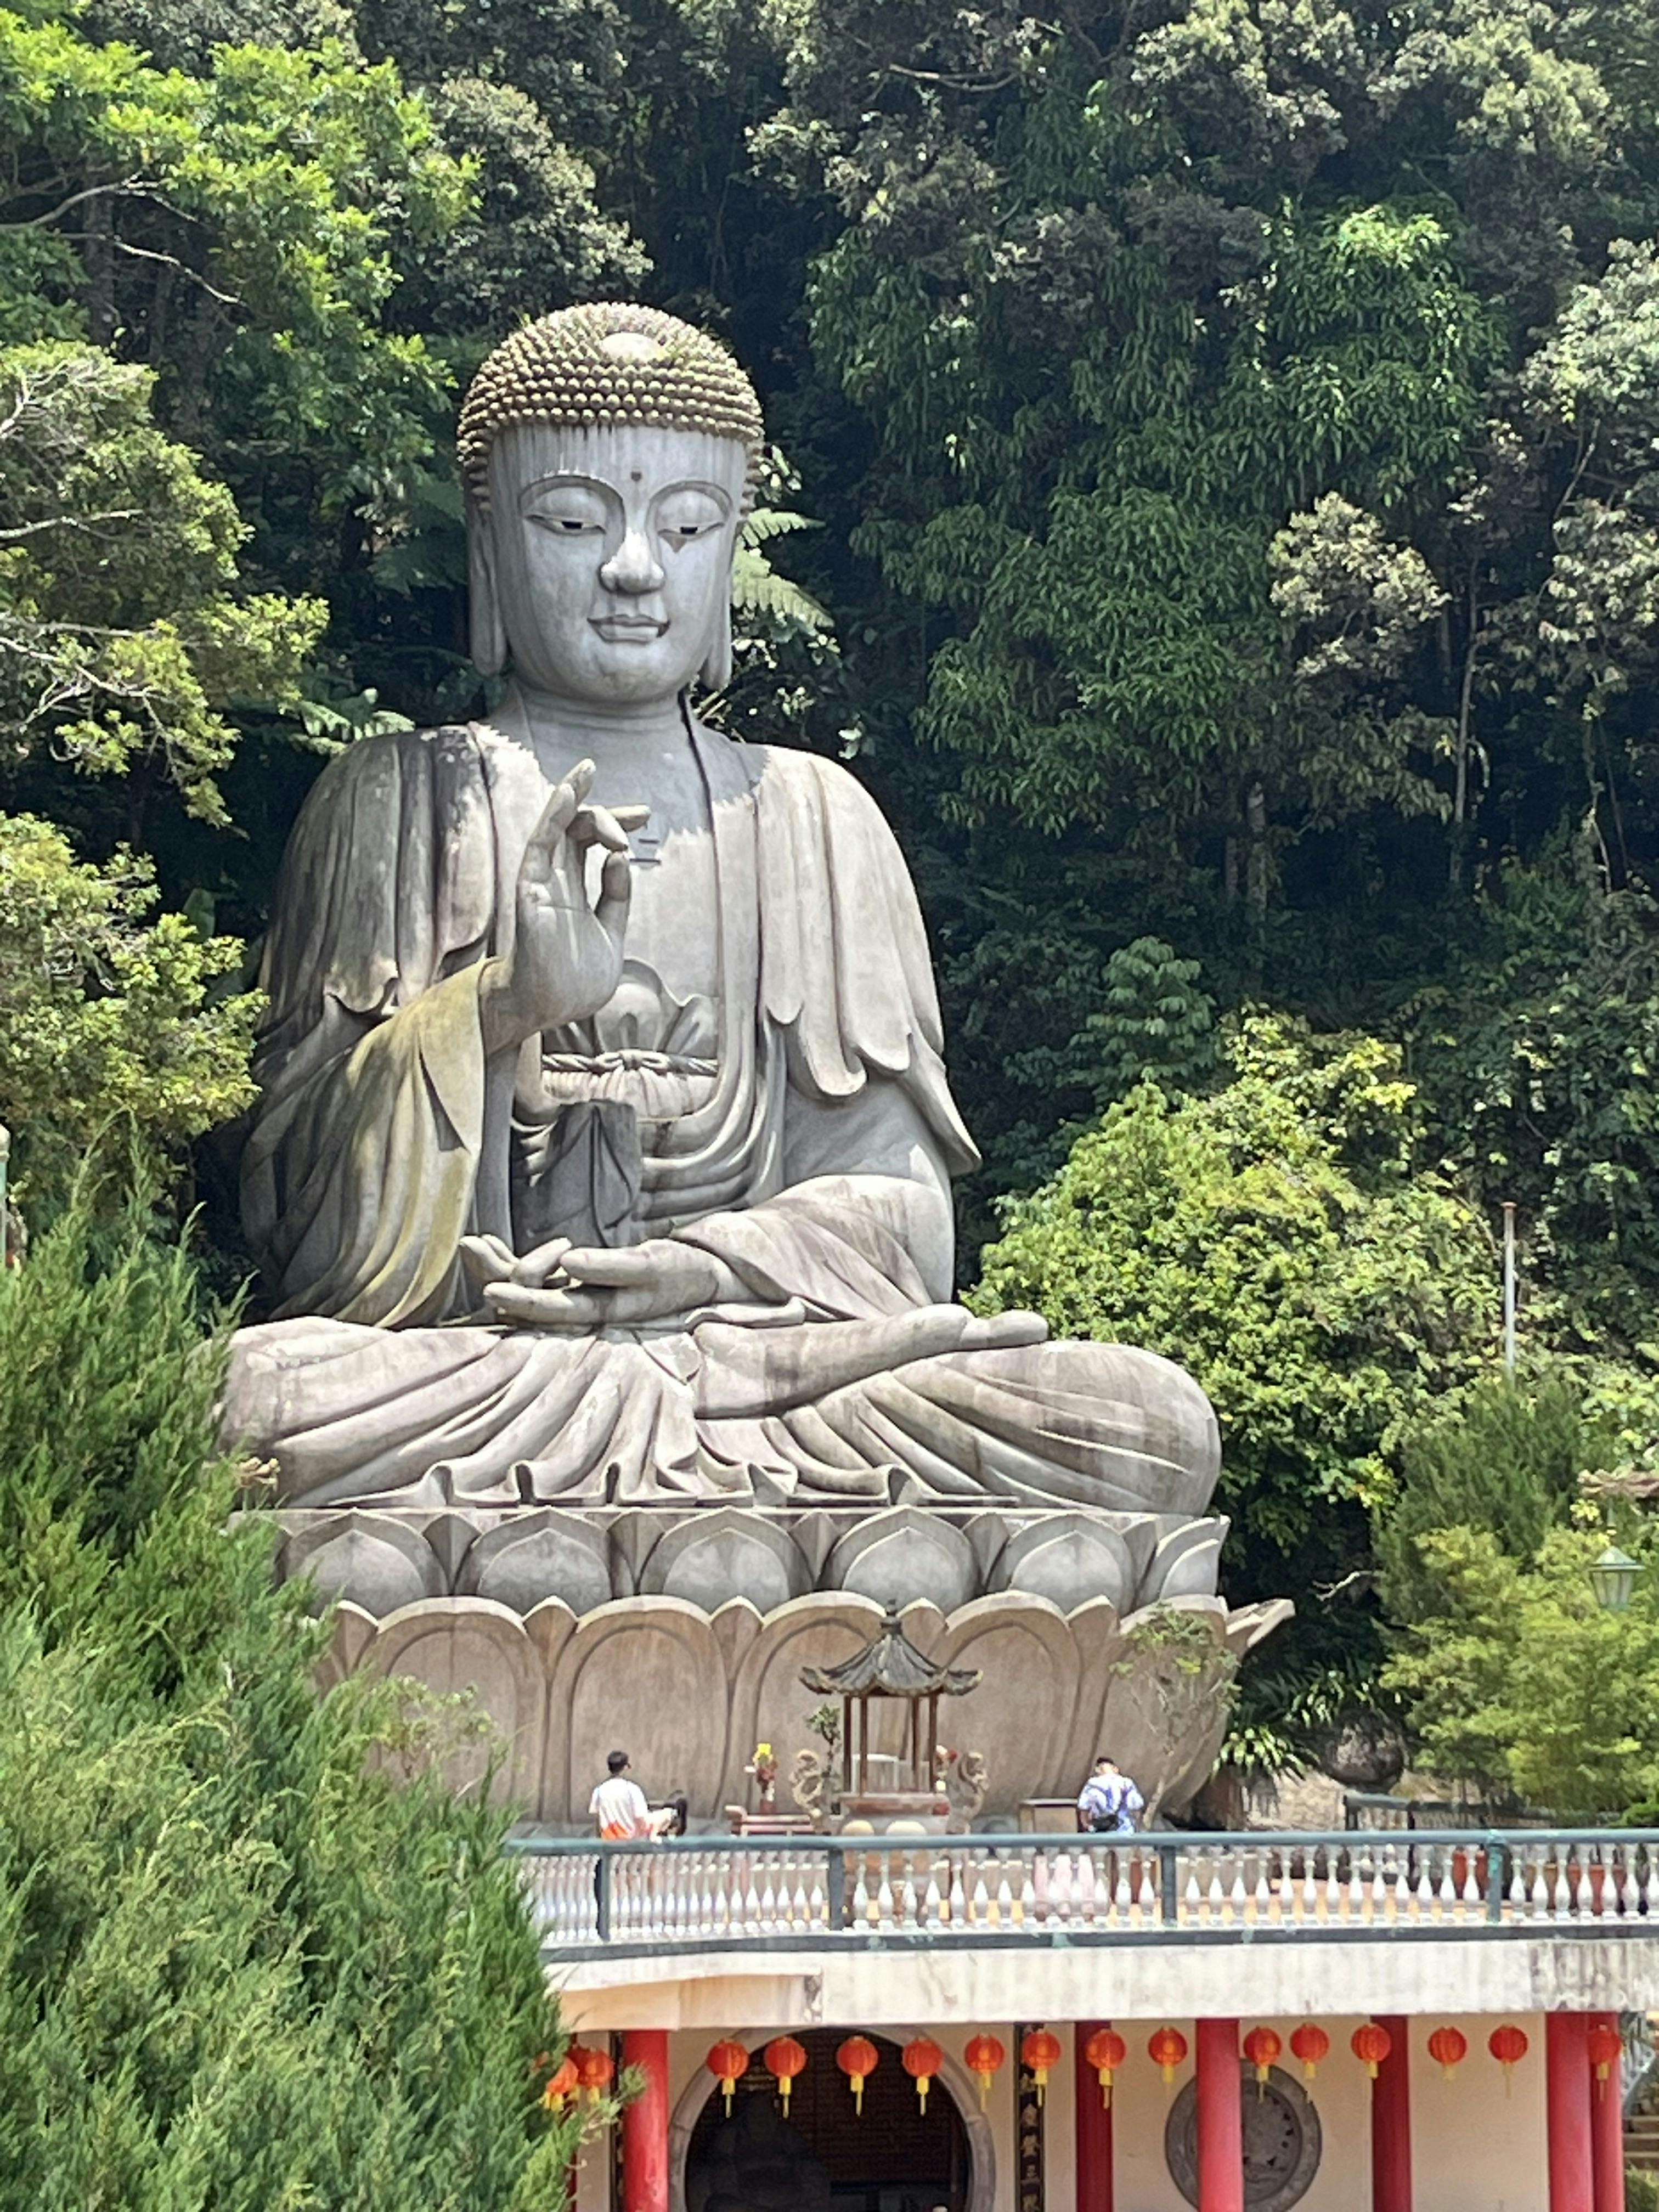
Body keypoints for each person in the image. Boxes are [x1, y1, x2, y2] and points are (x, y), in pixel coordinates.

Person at [225, 301, 1222, 1519]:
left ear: (730, 547)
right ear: (489, 542)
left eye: (686, 525)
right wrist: (501, 1006)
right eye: (573, 520)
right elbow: (297, 1220)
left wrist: (695, 1271)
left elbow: (908, 1226)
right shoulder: (394, 800)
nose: (633, 567)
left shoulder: (818, 817)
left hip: (762, 1374)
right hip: (483, 1364)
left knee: (1143, 1426)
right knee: (250, 1405)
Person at [590, 1748, 654, 1841]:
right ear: (625, 1768)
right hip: (630, 1843)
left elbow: (597, 1820)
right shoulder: (632, 1789)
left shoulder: (599, 1791)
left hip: (608, 1842)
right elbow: (641, 1819)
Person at [1078, 1753, 1144, 1835]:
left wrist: (1087, 1826)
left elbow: (1084, 1808)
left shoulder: (1093, 1783)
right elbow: (1137, 1807)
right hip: (1125, 1831)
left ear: (1098, 1770)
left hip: (1101, 1832)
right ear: (1115, 1769)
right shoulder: (1127, 1783)